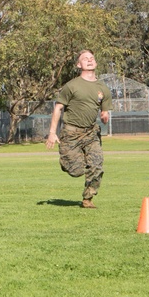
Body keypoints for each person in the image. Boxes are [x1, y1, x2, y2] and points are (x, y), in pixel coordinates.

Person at [45, 49, 112, 208]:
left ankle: (88, 198)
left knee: (96, 165)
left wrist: (104, 117)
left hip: (91, 132)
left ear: (95, 62)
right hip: (71, 133)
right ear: (78, 64)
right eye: (85, 59)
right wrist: (52, 133)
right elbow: (58, 108)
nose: (89, 60)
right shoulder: (71, 86)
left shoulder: (103, 88)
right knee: (75, 170)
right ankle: (67, 159)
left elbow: (104, 113)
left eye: (92, 58)